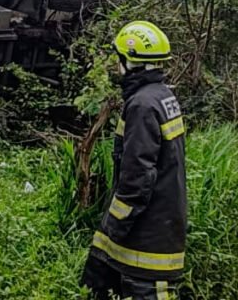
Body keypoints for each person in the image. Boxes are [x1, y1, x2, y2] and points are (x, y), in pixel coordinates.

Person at [81, 21, 186, 300]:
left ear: (129, 62)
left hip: (147, 239)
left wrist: (113, 227)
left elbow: (137, 178)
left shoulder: (142, 105)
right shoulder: (162, 96)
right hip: (156, 225)